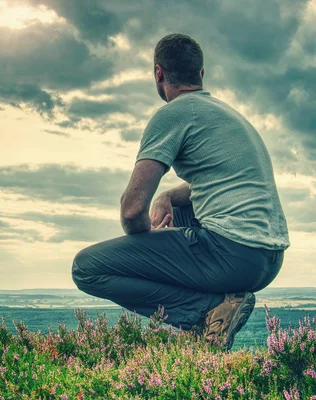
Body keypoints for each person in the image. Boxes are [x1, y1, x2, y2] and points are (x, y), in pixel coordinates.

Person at [71, 33, 290, 351]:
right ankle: (221, 302)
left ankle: (206, 312)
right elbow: (222, 179)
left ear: (158, 73)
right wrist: (168, 196)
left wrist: (150, 239)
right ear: (200, 74)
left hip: (229, 254)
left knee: (86, 268)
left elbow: (132, 211)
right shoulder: (228, 116)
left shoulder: (172, 114)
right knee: (183, 211)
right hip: (267, 260)